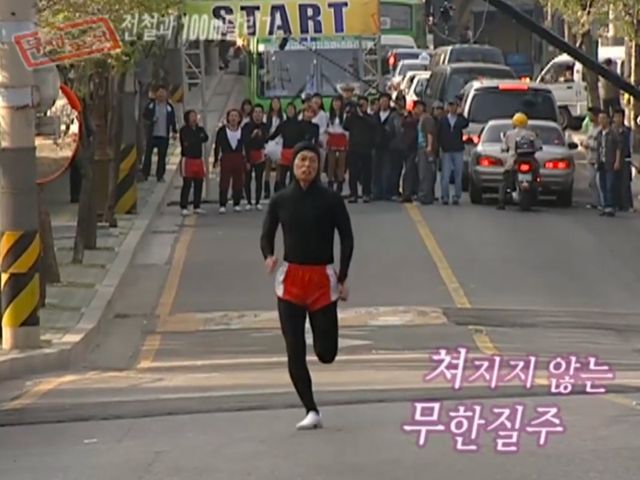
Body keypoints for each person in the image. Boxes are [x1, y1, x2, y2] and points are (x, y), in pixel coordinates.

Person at [260, 141, 354, 430]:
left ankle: (321, 338)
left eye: (312, 161)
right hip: (291, 281)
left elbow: (347, 238)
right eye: (302, 161)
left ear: (319, 166)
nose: (307, 166)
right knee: (294, 348)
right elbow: (266, 235)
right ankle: (311, 409)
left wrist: (343, 277)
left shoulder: (331, 200)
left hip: (322, 280)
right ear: (293, 164)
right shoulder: (281, 199)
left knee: (327, 353)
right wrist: (268, 256)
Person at [497, 112, 542, 210]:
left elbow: (504, 147)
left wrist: (505, 149)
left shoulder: (509, 134)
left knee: (505, 179)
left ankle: (501, 201)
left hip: (513, 161)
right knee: (537, 174)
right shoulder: (531, 134)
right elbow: (538, 146)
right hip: (530, 160)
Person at [142, 85, 178, 182]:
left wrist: (174, 131)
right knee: (148, 155)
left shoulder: (169, 107)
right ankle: (145, 173)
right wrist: (151, 120)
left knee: (162, 157)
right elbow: (145, 115)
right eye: (159, 93)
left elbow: (172, 120)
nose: (161, 95)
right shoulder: (151, 105)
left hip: (164, 135)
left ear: (166, 95)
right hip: (152, 135)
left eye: (163, 93)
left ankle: (160, 175)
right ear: (156, 94)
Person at [214, 109, 246, 214]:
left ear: (239, 118)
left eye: (236, 116)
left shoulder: (242, 131)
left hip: (238, 157)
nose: (233, 118)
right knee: (224, 181)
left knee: (238, 181)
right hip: (226, 157)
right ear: (228, 118)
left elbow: (246, 146)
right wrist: (216, 159)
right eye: (231, 116)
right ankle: (222, 204)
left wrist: (247, 160)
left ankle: (236, 203)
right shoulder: (222, 131)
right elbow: (217, 146)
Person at [437, 99, 469, 205]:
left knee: (457, 174)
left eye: (454, 105)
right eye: (450, 105)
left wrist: (461, 114)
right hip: (446, 150)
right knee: (445, 175)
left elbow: (466, 124)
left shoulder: (459, 120)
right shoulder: (443, 120)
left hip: (458, 150)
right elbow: (439, 134)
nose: (452, 108)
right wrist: (440, 147)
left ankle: (456, 196)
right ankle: (445, 196)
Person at [344, 96, 375, 203]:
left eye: (364, 105)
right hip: (354, 148)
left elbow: (373, 125)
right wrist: (349, 114)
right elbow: (345, 126)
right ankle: (353, 194)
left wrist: (362, 115)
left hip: (366, 148)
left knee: (367, 172)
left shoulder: (369, 117)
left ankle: (366, 193)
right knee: (353, 172)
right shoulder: (353, 117)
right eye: (360, 105)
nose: (362, 107)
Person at [178, 109, 209, 216]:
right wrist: (197, 138)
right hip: (188, 159)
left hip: (198, 159)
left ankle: (197, 206)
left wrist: (198, 137)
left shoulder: (200, 129)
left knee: (199, 183)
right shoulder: (184, 130)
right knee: (187, 183)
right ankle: (184, 206)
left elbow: (205, 138)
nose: (194, 118)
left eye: (195, 116)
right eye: (192, 116)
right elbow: (188, 142)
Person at [242, 103, 270, 211]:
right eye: (256, 112)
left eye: (260, 112)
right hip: (249, 153)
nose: (258, 115)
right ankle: (249, 201)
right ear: (252, 114)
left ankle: (257, 201)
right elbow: (245, 141)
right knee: (247, 179)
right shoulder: (246, 126)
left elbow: (266, 139)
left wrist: (262, 135)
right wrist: (252, 135)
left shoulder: (265, 126)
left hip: (260, 153)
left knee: (259, 178)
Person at [596, 110, 623, 217]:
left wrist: (617, 161)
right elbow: (598, 148)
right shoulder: (599, 133)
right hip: (601, 162)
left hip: (610, 162)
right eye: (600, 118)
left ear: (608, 120)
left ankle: (611, 207)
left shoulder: (613, 133)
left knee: (610, 185)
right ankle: (605, 206)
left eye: (603, 118)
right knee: (602, 184)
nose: (601, 121)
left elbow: (619, 148)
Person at [580, 107, 603, 210]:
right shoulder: (591, 127)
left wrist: (588, 145)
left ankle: (602, 202)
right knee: (591, 182)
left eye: (591, 115)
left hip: (598, 158)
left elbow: (600, 144)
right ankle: (595, 202)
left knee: (598, 182)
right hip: (590, 158)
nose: (590, 117)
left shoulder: (600, 130)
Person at [612, 108, 634, 212]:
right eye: (616, 117)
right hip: (613, 159)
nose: (618, 119)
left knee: (625, 183)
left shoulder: (627, 131)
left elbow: (631, 146)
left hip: (625, 159)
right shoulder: (611, 131)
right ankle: (616, 204)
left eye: (620, 116)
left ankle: (627, 205)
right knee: (615, 182)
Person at [326, 95, 349, 194]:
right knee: (331, 162)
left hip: (342, 138)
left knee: (341, 162)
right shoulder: (328, 115)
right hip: (332, 137)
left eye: (338, 102)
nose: (336, 104)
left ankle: (340, 183)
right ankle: (330, 182)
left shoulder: (345, 115)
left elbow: (347, 129)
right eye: (335, 102)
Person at [417, 101, 438, 204]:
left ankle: (425, 196)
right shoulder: (421, 119)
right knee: (423, 172)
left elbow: (430, 133)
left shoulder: (427, 119)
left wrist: (429, 146)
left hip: (425, 148)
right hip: (421, 147)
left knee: (425, 173)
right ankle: (426, 195)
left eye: (417, 107)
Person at [264, 98, 284, 200]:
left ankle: (277, 186)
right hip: (268, 142)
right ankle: (266, 188)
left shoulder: (283, 116)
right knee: (267, 165)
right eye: (274, 103)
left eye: (277, 103)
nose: (275, 105)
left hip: (279, 141)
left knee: (278, 165)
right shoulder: (267, 116)